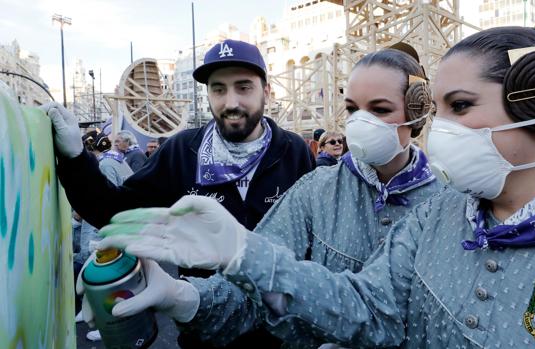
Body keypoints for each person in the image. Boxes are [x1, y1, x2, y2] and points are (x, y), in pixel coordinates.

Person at [97, 18, 535, 348]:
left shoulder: (438, 204)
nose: (445, 128)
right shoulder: (439, 218)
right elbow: (372, 309)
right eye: (351, 108)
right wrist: (225, 267)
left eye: (459, 107)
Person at [90, 46, 440, 347]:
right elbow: (251, 290)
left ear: (418, 112)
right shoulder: (316, 189)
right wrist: (185, 297)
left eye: (379, 110)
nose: (361, 123)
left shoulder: (448, 205)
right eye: (352, 110)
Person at [43, 38, 315, 348]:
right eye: (218, 89)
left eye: (244, 87)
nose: (230, 102)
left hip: (281, 333)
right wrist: (76, 158)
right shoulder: (182, 151)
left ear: (266, 91)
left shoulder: (294, 151)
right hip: (206, 326)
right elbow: (116, 212)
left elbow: (313, 243)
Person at [74, 130, 134, 342]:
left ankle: (107, 322)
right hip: (117, 227)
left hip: (107, 229)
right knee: (101, 275)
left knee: (107, 278)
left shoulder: (106, 164)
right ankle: (90, 309)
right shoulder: (117, 160)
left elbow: (105, 199)